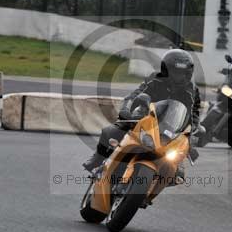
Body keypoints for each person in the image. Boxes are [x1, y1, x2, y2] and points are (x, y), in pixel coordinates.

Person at [83, 49, 201, 177]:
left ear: (188, 73)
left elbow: (194, 113)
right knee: (111, 131)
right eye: (175, 72)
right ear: (166, 69)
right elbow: (134, 95)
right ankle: (97, 158)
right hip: (145, 118)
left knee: (178, 170)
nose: (178, 76)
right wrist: (126, 110)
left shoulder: (192, 91)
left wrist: (192, 130)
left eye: (182, 73)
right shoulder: (154, 79)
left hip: (171, 127)